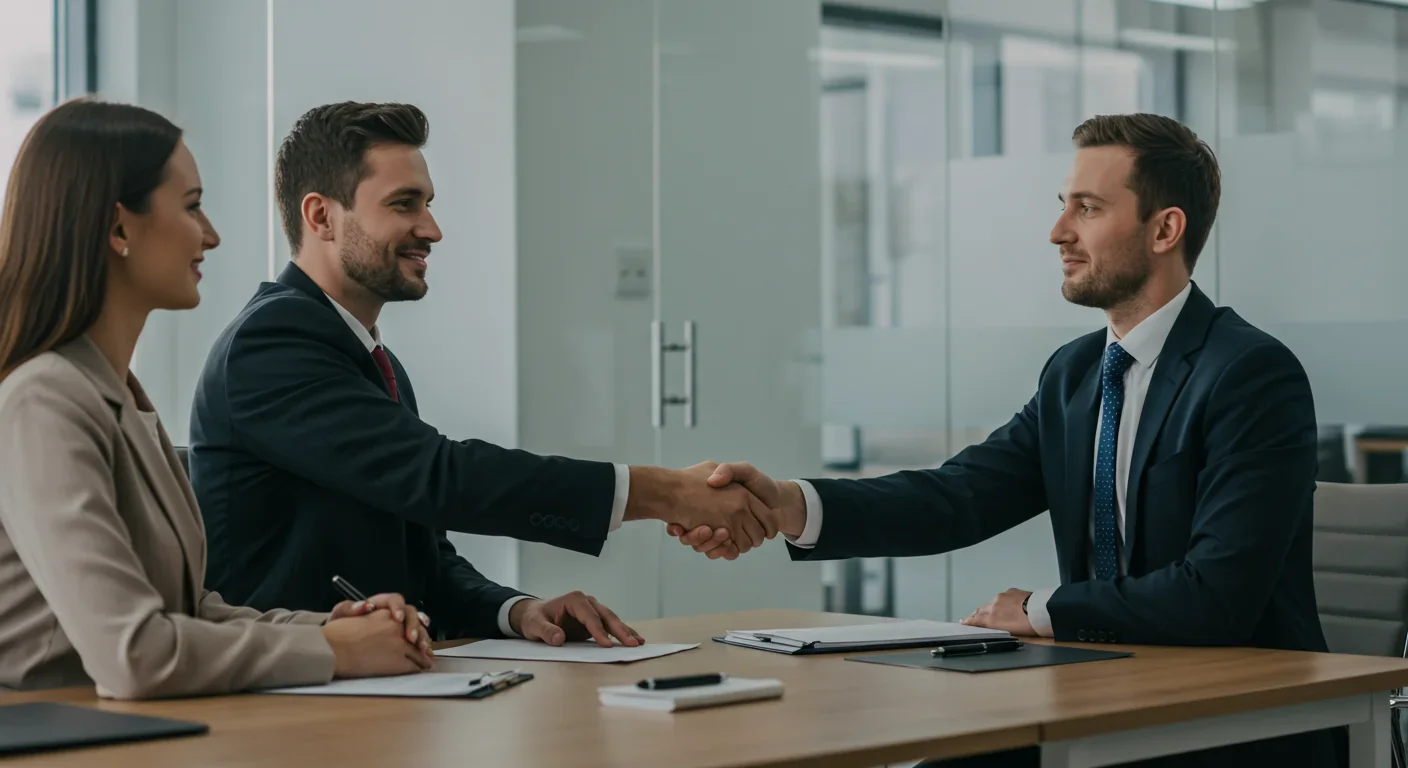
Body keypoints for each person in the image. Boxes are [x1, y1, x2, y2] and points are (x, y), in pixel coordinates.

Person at [674, 114, 1339, 767]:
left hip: (1240, 722)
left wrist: (1039, 609)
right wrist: (791, 504)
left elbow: (1216, 596)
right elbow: (959, 496)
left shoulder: (1248, 374)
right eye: (1062, 207)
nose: (1058, 233)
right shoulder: (1076, 373)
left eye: (1087, 209)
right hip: (1107, 693)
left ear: (1165, 229)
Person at [189, 101, 770, 647]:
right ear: (321, 216)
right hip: (290, 700)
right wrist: (665, 492)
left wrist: (517, 612)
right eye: (404, 204)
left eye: (429, 203)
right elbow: (444, 478)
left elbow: (426, 558)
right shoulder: (271, 343)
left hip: (384, 693)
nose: (432, 229)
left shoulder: (369, 361)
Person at [0, 99, 434, 699]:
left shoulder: (118, 397)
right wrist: (330, 651)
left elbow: (190, 610)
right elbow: (135, 655)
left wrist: (332, 628)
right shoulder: (42, 402)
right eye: (192, 206)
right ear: (120, 228)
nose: (212, 234)